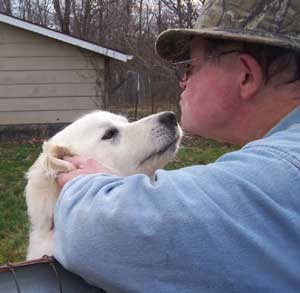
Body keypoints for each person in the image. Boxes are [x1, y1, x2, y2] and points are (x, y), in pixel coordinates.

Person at [54, 0, 300, 292]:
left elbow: (99, 234)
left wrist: (84, 184)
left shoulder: (285, 169)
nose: (183, 82)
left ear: (246, 75)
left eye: (190, 68)